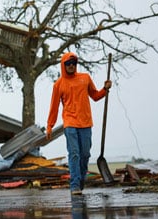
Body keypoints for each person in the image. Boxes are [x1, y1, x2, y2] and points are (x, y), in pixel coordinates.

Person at [46, 52, 112, 195]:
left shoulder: (85, 78)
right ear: (63, 65)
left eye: (73, 63)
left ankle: (81, 178)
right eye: (68, 64)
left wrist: (105, 89)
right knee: (74, 153)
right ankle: (75, 184)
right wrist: (50, 125)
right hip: (70, 123)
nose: (71, 66)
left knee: (85, 154)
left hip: (86, 123)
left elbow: (95, 96)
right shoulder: (59, 84)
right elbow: (54, 106)